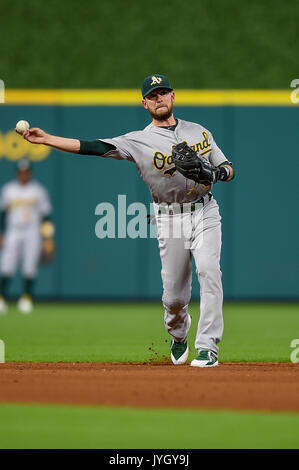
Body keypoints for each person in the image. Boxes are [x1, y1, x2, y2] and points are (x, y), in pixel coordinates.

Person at [16, 74, 234, 366]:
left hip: (205, 210)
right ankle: (179, 333)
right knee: (173, 297)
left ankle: (208, 347)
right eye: (153, 95)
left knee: (209, 271)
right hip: (169, 217)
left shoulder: (200, 132)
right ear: (144, 103)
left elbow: (228, 168)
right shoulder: (138, 140)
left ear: (173, 97)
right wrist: (47, 140)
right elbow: (92, 147)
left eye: (163, 93)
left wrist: (216, 174)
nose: (159, 98)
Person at [0, 159, 54, 314]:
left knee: (30, 265)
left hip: (32, 230)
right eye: (21, 172)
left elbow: (46, 216)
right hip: (13, 229)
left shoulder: (38, 190)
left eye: (26, 172)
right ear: (17, 173)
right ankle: (2, 298)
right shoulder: (8, 190)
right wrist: (1, 233)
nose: (24, 174)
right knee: (7, 264)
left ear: (30, 173)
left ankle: (26, 298)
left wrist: (48, 237)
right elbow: (2, 214)